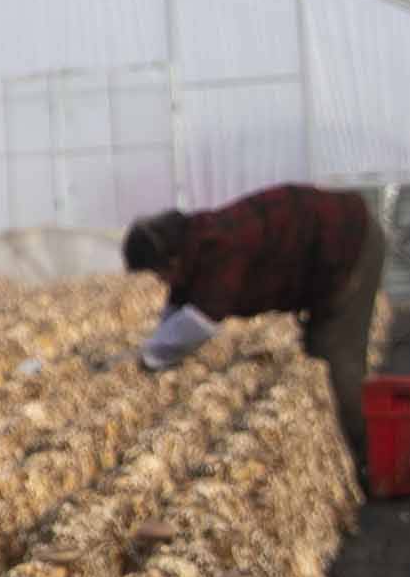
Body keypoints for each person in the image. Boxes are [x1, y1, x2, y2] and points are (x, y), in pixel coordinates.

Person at [123, 182, 387, 464]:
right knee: (319, 349)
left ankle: (373, 463)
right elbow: (179, 304)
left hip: (351, 241)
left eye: (158, 273)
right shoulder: (195, 242)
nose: (161, 281)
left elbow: (202, 320)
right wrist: (151, 346)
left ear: (170, 259)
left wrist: (151, 356)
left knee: (336, 358)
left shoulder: (220, 247)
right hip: (333, 244)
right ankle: (355, 451)